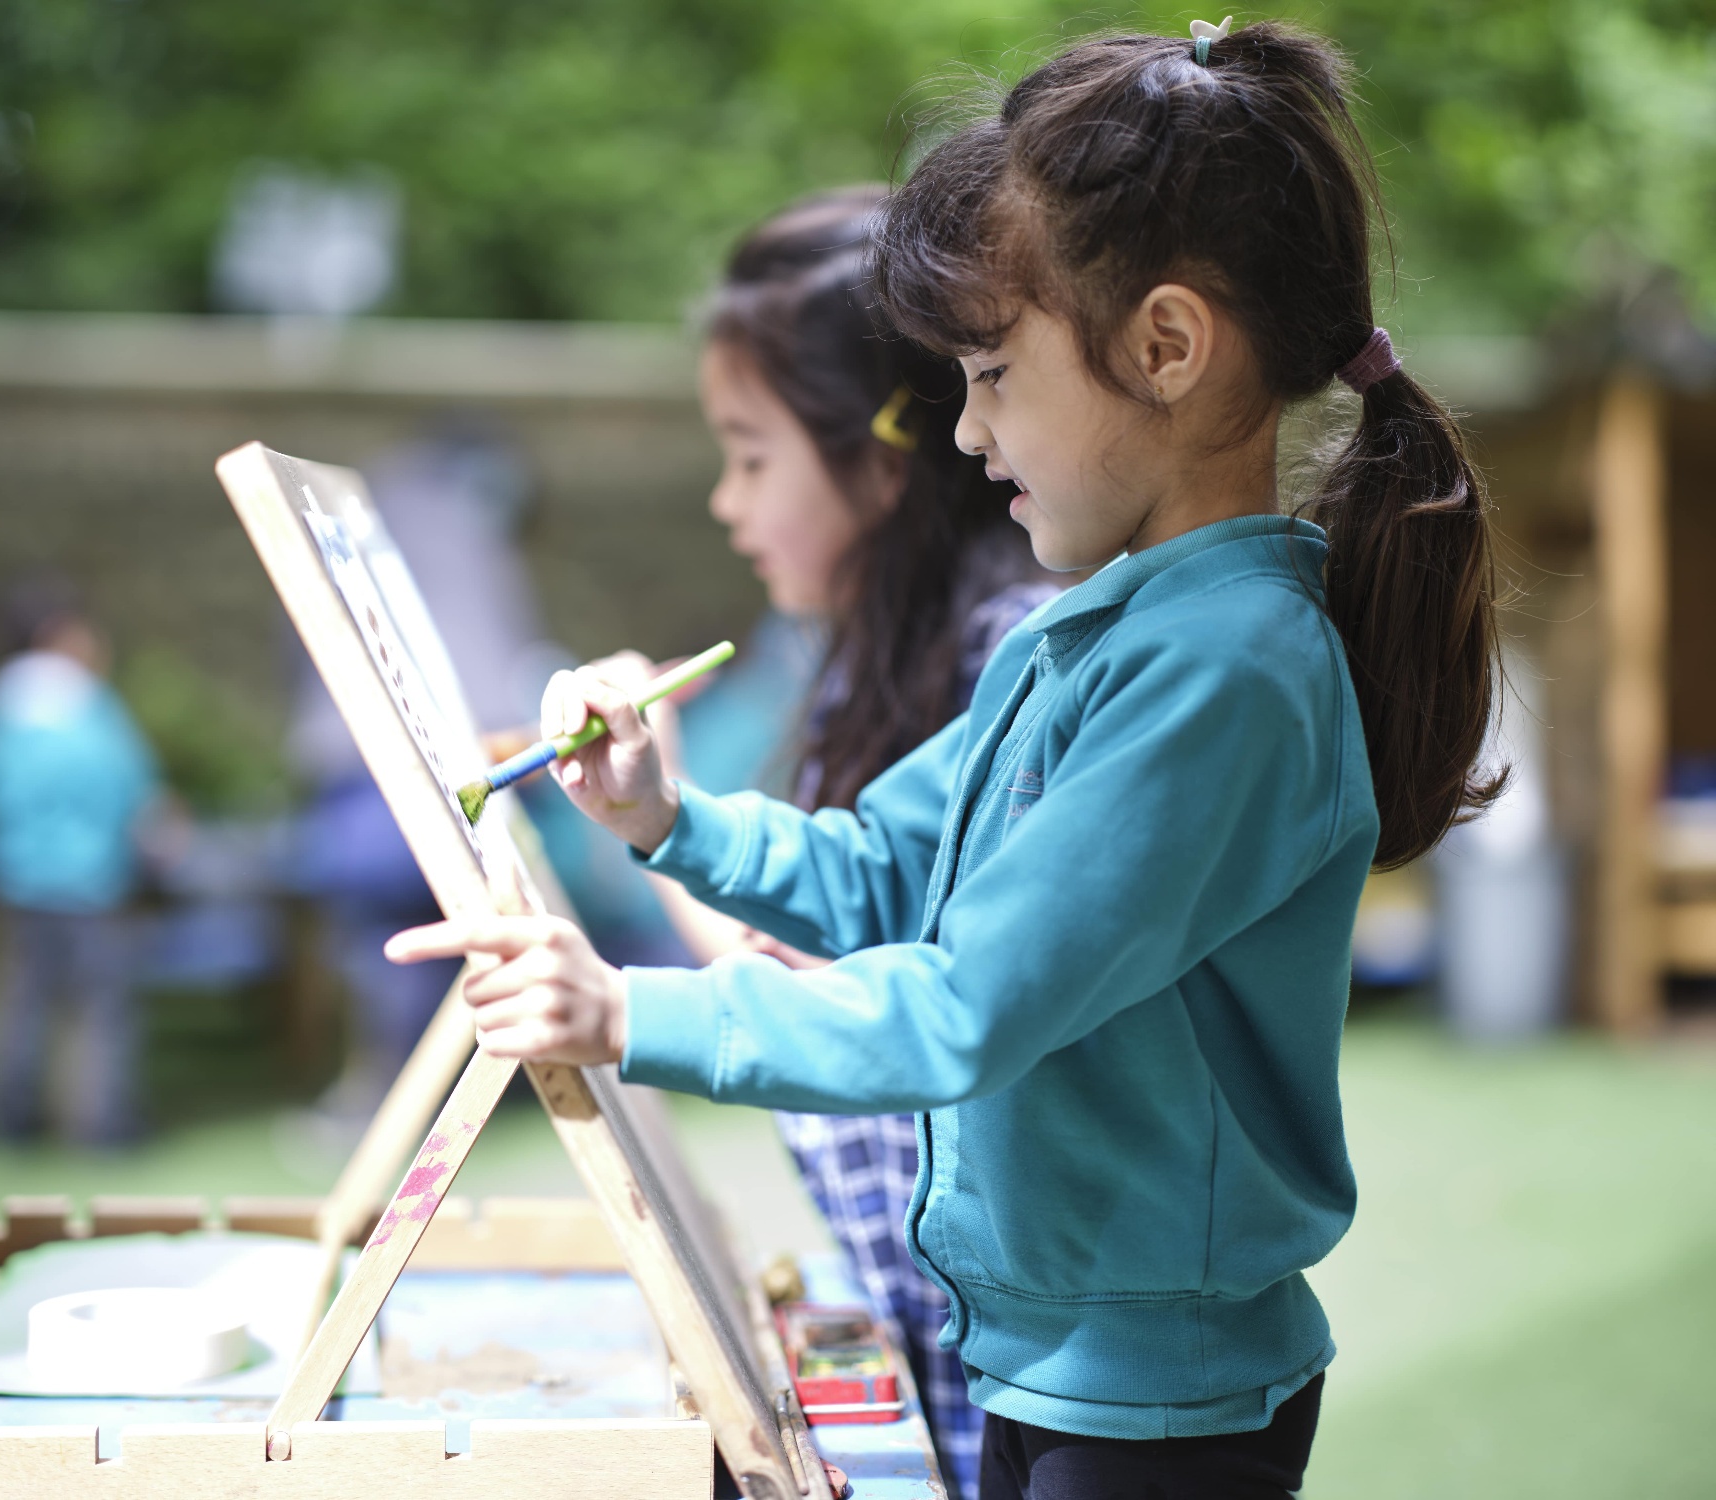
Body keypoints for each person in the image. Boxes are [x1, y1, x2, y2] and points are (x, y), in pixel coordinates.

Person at [385, 21, 1502, 1500]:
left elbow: (967, 1005)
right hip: (1050, 1368)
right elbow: (879, 872)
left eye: (988, 370)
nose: (963, 430)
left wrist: (623, 1011)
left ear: (1165, 346)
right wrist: (665, 818)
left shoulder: (1227, 673)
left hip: (1157, 1411)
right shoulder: (1092, 634)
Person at [644, 185, 1071, 1497]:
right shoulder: (868, 665)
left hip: (1028, 1369)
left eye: (750, 454)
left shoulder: (1022, 668)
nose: (725, 501)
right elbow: (811, 953)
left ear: (885, 457)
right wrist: (649, 810)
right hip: (951, 1339)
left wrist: (655, 822)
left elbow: (884, 1015)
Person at [0, 593, 160, 1145]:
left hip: (18, 875)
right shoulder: (88, 701)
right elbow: (130, 786)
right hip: (92, 877)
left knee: (22, 1003)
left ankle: (12, 1116)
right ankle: (101, 1123)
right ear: (61, 632)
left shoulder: (0, 702)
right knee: (101, 1006)